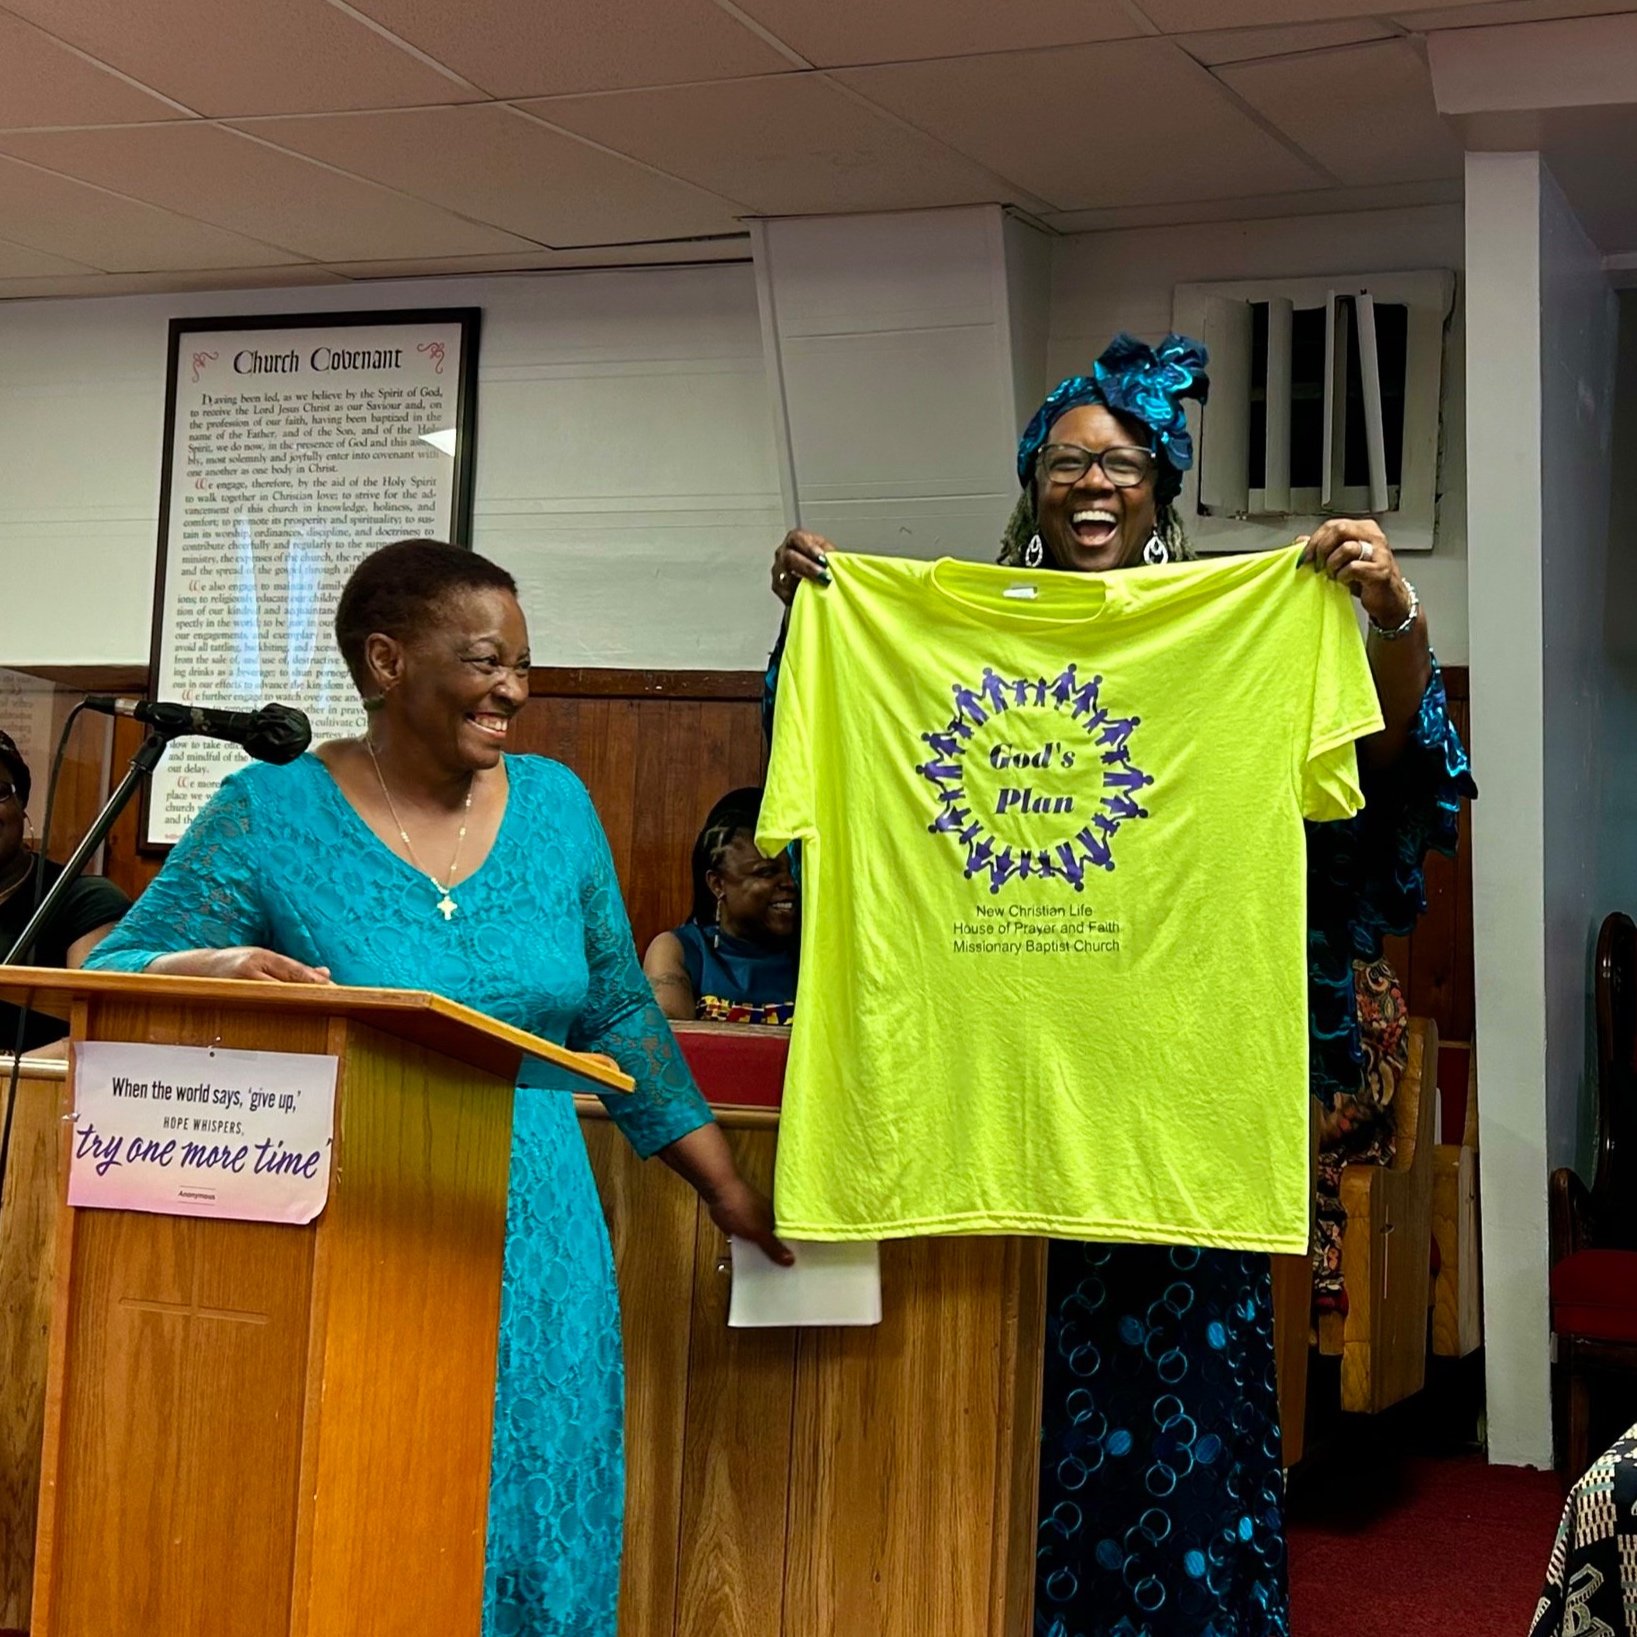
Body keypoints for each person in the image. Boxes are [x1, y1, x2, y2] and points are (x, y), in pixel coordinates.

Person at [764, 333, 1475, 1637]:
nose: (1092, 483)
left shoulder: (1239, 626)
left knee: (1177, 1448)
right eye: (1064, 461)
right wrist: (816, 620)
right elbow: (831, 805)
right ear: (1029, 482)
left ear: (1164, 485)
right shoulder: (930, 631)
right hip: (977, 1125)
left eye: (1122, 464)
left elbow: (1383, 790)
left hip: (1168, 1114)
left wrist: (1388, 613)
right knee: (983, 1439)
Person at [85, 538, 791, 1637]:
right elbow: (108, 965)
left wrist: (722, 1183)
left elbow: (615, 1008)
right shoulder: (268, 814)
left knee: (541, 1517)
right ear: (386, 660)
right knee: (374, 1521)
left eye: (523, 662)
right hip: (369, 1233)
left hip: (544, 1244)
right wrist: (212, 962)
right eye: (484, 659)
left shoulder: (555, 805)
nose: (513, 686)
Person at [0, 727, 129, 1055]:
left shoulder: (83, 902)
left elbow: (95, 1033)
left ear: (22, 804)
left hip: (42, 1098)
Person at [642, 786, 798, 1024]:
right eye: (766, 872)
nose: (789, 883)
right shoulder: (680, 950)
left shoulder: (813, 955)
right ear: (717, 884)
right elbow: (670, 1043)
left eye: (795, 871)